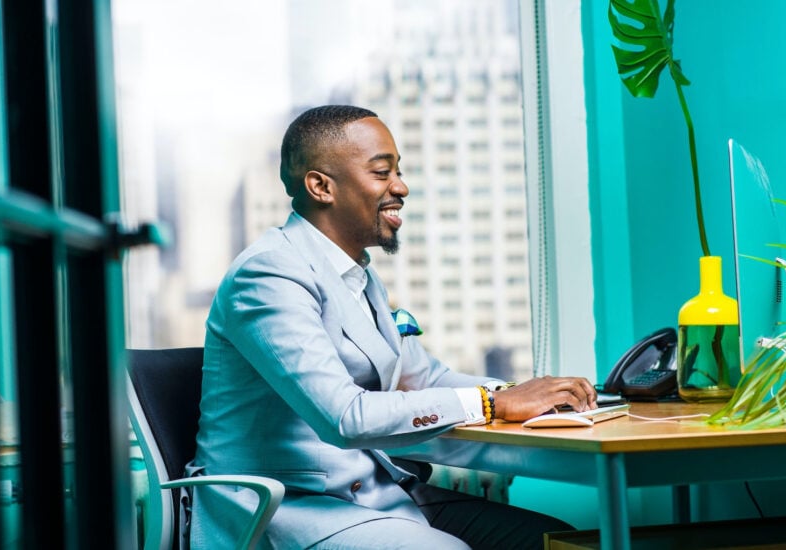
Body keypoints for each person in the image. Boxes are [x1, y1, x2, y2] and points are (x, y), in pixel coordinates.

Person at [190, 105, 598, 549]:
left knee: (548, 540)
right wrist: (493, 404)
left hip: (373, 499)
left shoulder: (357, 277)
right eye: (382, 172)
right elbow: (346, 417)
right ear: (321, 186)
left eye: (398, 171)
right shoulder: (269, 275)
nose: (401, 187)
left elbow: (425, 379)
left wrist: (532, 397)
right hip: (286, 509)